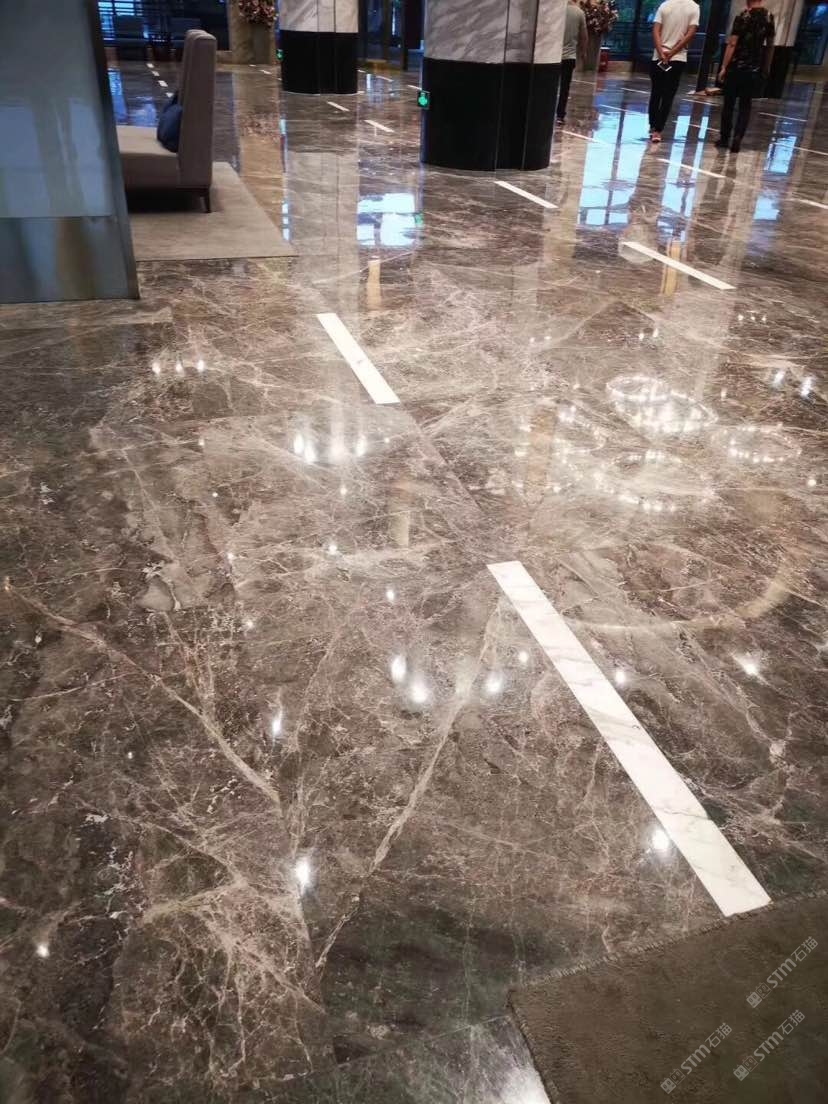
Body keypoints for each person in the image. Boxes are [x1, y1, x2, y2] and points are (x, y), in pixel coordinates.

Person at [717, 0, 776, 152]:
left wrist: (724, 66)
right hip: (754, 68)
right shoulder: (769, 17)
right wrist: (766, 67)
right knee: (745, 105)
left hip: (736, 67)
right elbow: (770, 46)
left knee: (729, 104)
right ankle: (738, 137)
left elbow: (732, 43)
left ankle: (724, 138)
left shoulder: (743, 15)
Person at [648, 0, 701, 142]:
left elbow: (656, 30)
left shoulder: (665, 5)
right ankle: (658, 131)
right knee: (668, 95)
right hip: (678, 58)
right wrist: (671, 53)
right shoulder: (694, 7)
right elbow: (691, 33)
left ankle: (652, 125)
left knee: (656, 92)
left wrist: (661, 52)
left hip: (658, 56)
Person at [557, 0, 588, 123]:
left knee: (550, 86)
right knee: (564, 88)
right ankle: (560, 115)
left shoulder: (557, 11)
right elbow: (584, 36)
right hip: (569, 57)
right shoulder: (579, 13)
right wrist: (583, 52)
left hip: (553, 56)